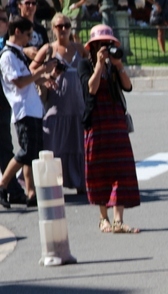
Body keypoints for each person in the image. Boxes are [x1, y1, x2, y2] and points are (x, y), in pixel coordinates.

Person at [78, 24, 140, 233]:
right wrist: (98, 65)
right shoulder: (84, 65)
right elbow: (91, 89)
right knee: (99, 168)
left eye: (109, 43)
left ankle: (118, 220)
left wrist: (118, 65)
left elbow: (128, 87)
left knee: (121, 168)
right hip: (96, 121)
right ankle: (103, 218)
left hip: (115, 121)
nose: (105, 47)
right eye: (101, 44)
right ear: (93, 46)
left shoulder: (113, 65)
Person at [0, 15, 56, 209]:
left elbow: (28, 78)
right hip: (23, 110)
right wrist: (42, 71)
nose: (30, 39)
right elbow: (19, 82)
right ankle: (2, 184)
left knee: (34, 153)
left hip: (32, 109)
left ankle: (32, 192)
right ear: (17, 32)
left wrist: (45, 78)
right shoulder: (7, 56)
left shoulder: (17, 54)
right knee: (26, 151)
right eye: (28, 35)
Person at [31, 13, 88, 193]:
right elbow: (32, 70)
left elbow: (90, 65)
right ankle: (52, 186)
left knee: (78, 146)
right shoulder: (48, 49)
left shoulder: (78, 48)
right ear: (53, 29)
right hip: (56, 106)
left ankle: (80, 182)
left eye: (66, 25)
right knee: (53, 147)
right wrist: (46, 76)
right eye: (59, 26)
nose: (63, 29)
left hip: (77, 106)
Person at [0, 7, 27, 205]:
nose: (6, 23)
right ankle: (10, 187)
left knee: (4, 145)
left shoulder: (6, 45)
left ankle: (11, 189)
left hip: (3, 99)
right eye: (2, 19)